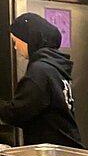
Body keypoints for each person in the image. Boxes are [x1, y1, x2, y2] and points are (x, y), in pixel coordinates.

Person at [0, 12, 83, 148]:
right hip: (67, 145)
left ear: (29, 39)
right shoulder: (55, 66)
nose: (15, 48)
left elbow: (16, 113)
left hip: (54, 153)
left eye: (16, 42)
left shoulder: (40, 71)